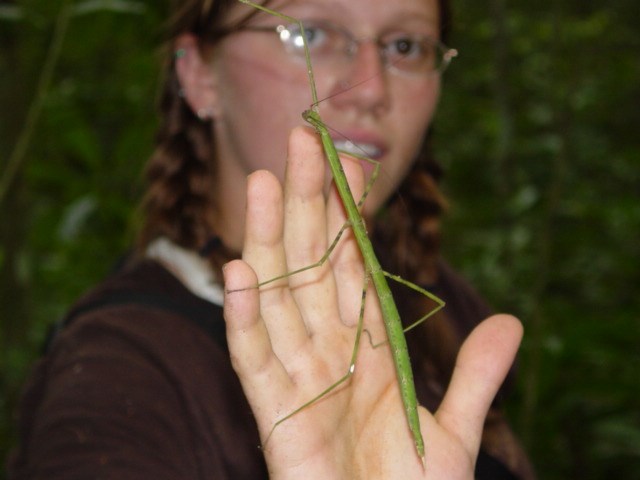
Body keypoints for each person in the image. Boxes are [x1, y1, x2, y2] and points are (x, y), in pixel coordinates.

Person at [8, 0, 536, 478]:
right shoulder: (118, 368)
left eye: (405, 45)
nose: (372, 88)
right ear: (197, 74)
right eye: (308, 34)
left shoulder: (447, 304)